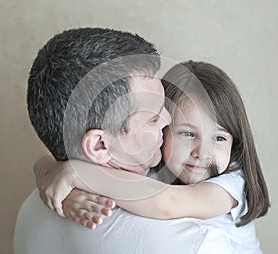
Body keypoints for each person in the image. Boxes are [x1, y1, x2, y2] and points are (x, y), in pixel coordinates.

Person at [14, 28, 234, 254]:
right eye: (154, 117)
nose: (168, 121)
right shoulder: (198, 243)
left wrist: (59, 171)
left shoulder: (32, 208)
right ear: (99, 145)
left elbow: (45, 161)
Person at [36, 60, 270, 253]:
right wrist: (53, 177)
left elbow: (168, 204)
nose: (203, 152)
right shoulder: (156, 167)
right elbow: (44, 159)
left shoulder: (231, 184)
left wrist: (76, 174)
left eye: (219, 138)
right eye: (188, 134)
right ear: (163, 132)